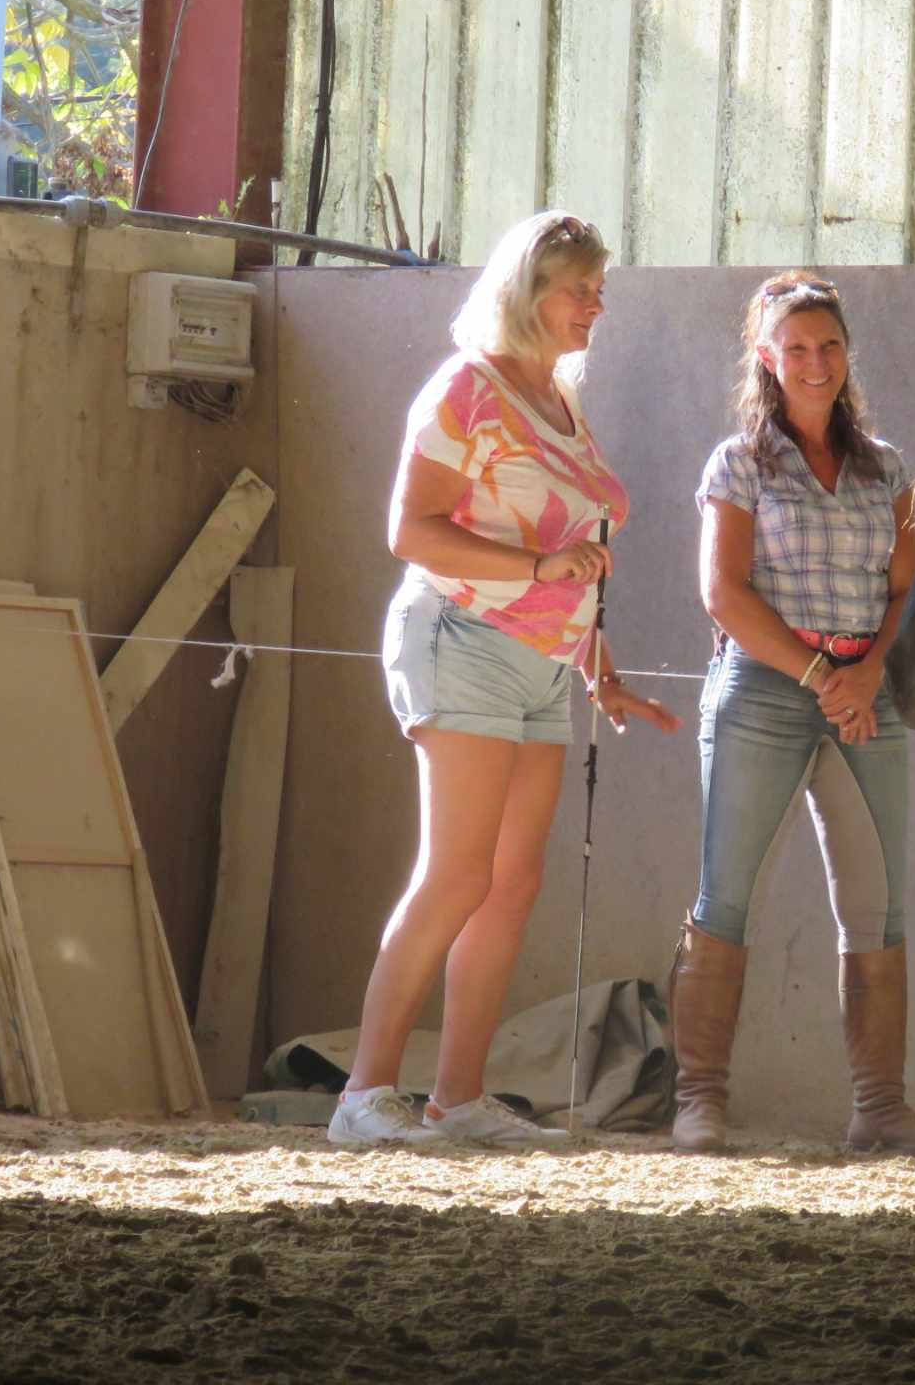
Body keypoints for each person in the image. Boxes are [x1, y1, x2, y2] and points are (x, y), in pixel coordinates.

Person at [328, 210, 680, 1147]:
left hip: (543, 666)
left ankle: (458, 1100)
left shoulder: (562, 402)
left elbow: (579, 561)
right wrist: (534, 574)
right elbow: (411, 531)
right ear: (529, 292)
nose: (596, 307)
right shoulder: (466, 389)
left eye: (599, 289)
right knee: (457, 873)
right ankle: (364, 1096)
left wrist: (605, 678)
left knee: (511, 883)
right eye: (581, 289)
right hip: (459, 637)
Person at [669, 270, 915, 1158]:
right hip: (765, 687)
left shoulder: (887, 466)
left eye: (828, 344)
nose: (815, 361)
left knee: (878, 905)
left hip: (867, 695)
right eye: (795, 346)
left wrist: (868, 672)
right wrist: (816, 675)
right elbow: (722, 593)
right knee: (725, 894)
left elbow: (911, 585)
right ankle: (699, 1102)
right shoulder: (738, 462)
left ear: (847, 354)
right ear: (766, 356)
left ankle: (880, 1109)